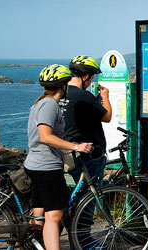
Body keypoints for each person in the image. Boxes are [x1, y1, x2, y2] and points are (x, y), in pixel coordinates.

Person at [24, 64, 92, 250]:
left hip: (36, 164)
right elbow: (45, 136)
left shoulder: (41, 102)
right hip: (46, 167)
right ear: (63, 86)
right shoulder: (49, 105)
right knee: (54, 217)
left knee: (39, 211)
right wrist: (76, 146)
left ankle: (31, 243)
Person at [64, 55, 110, 185]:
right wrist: (105, 97)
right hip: (88, 155)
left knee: (79, 197)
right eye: (91, 78)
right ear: (86, 76)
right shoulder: (84, 95)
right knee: (88, 199)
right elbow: (107, 117)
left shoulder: (62, 92)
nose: (90, 82)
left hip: (69, 152)